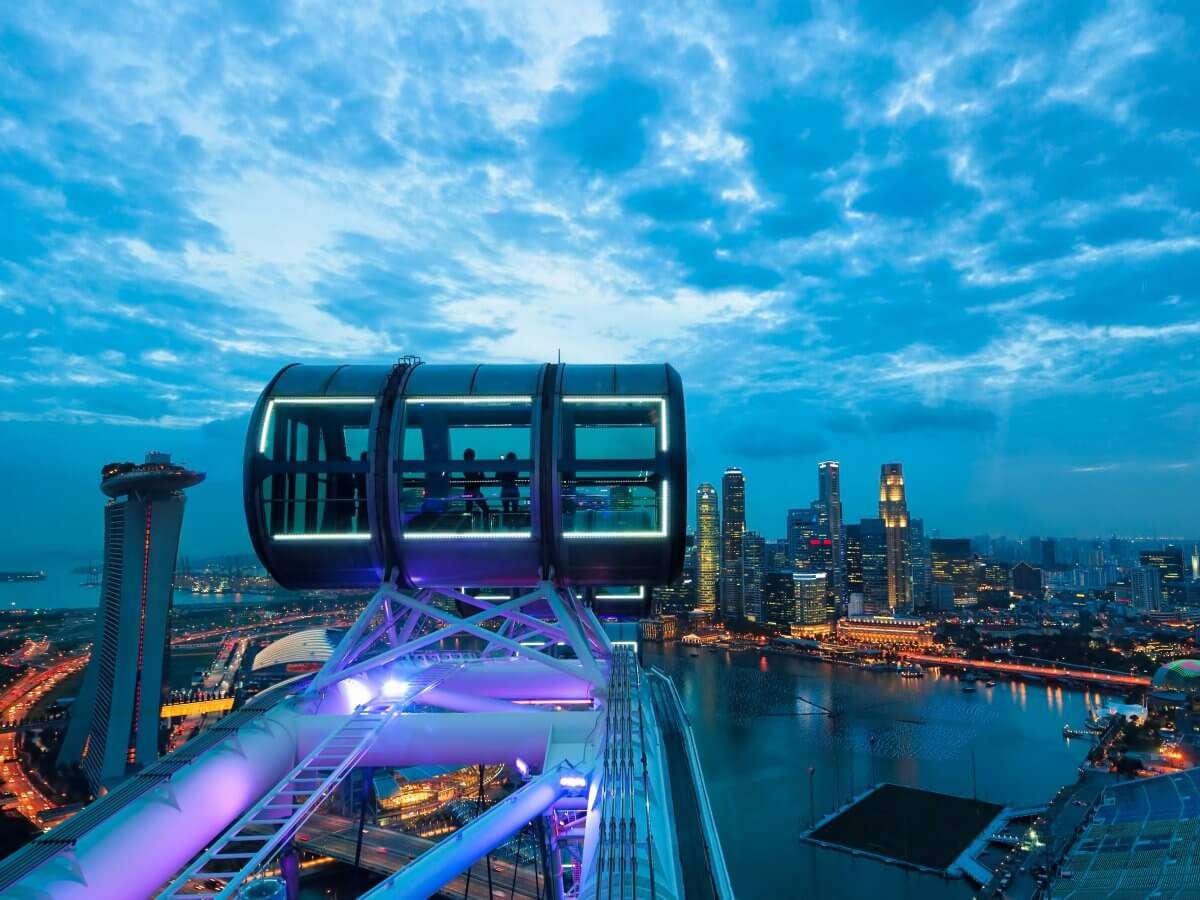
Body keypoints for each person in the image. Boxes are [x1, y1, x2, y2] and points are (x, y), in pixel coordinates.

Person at [462, 448, 489, 528]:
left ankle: (467, 526)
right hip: (475, 491)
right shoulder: (476, 465)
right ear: (473, 455)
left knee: (468, 510)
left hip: (467, 490)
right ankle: (486, 525)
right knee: (485, 508)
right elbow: (482, 477)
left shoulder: (463, 465)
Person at [498, 451, 520, 526]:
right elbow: (516, 475)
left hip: (505, 489)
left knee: (506, 508)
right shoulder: (516, 466)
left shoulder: (504, 466)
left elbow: (497, 476)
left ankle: (507, 524)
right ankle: (516, 524)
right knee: (515, 508)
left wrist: (500, 465)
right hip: (514, 488)